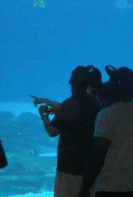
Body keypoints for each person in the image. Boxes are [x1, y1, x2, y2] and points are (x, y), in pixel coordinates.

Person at [78, 66, 133, 197]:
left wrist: (85, 186)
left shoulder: (107, 114)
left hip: (110, 186)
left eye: (111, 81)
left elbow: (98, 153)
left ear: (116, 87)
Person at [33, 66, 102, 197]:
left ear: (70, 82)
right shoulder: (96, 104)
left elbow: (52, 131)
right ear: (88, 84)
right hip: (90, 169)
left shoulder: (69, 104)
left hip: (68, 169)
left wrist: (44, 116)